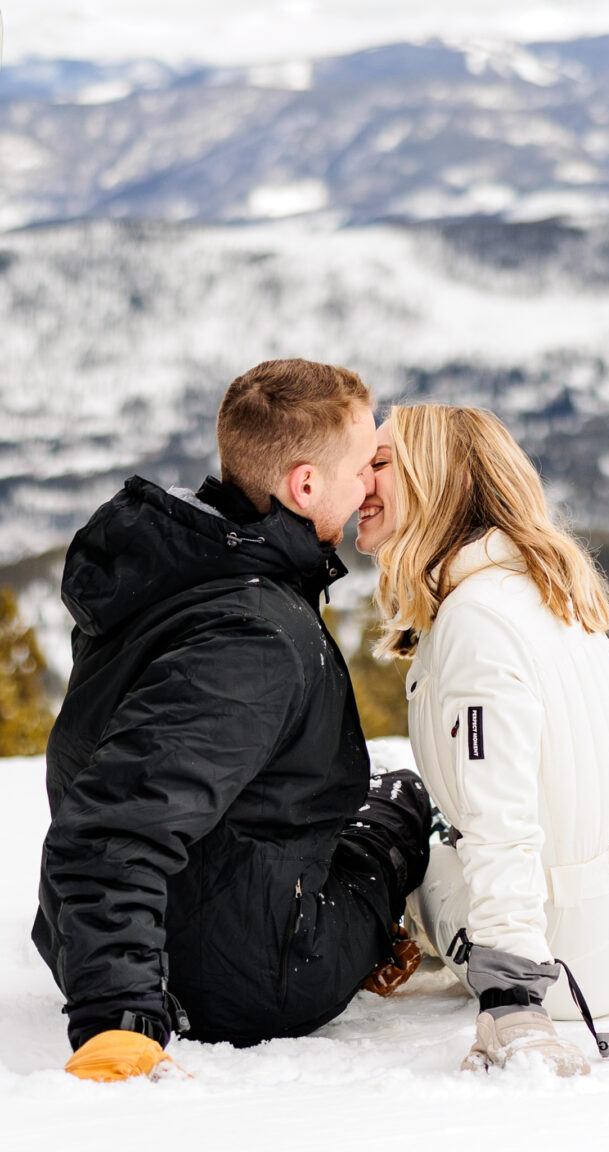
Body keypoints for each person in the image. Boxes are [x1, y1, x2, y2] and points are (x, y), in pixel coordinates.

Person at [33, 359, 431, 1082]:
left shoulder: (187, 560)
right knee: (403, 807)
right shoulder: (253, 638)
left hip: (140, 924)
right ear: (306, 485)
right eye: (362, 465)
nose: (373, 481)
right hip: (254, 974)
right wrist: (120, 1024)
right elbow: (118, 818)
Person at [356, 403, 609, 1077]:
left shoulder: (475, 623)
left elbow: (499, 825)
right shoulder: (537, 585)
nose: (359, 480)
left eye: (380, 464)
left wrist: (512, 999)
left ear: (448, 483)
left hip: (572, 960)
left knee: (416, 854)